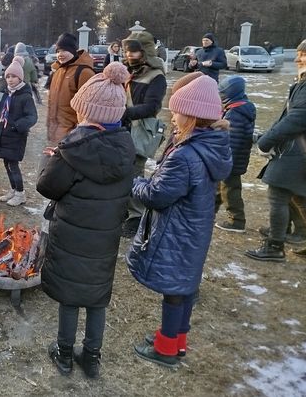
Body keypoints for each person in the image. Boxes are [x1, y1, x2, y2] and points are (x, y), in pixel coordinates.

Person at [127, 75, 232, 368]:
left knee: (174, 289)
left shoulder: (185, 156)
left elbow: (157, 195)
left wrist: (135, 183)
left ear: (190, 116)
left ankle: (166, 350)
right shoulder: (211, 144)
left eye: (176, 111)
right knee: (185, 285)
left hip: (177, 229)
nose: (171, 116)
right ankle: (176, 339)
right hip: (195, 227)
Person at [38, 62, 135, 379]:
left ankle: (64, 355)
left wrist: (53, 161)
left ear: (85, 111)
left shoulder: (73, 149)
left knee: (70, 299)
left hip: (71, 237)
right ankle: (91, 358)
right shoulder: (125, 148)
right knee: (96, 299)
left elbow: (47, 187)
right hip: (104, 239)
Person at [246, 39, 306, 262]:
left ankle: (275, 246)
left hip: (296, 152)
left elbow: (297, 119)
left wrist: (266, 142)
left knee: (278, 196)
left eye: (303, 55)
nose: (297, 59)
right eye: (298, 53)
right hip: (296, 151)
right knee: (300, 198)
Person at [120, 32, 167, 237]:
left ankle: (136, 216)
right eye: (128, 50)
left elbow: (152, 107)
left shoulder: (156, 77)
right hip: (121, 128)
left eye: (135, 50)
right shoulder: (127, 72)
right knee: (121, 172)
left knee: (134, 174)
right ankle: (122, 210)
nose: (130, 54)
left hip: (139, 130)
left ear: (145, 51)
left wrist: (124, 112)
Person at [0, 57, 37, 207]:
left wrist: (16, 126)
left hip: (16, 137)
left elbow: (32, 117)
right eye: (8, 77)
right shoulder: (7, 94)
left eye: (14, 77)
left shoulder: (25, 97)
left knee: (13, 165)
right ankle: (13, 189)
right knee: (7, 164)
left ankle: (20, 193)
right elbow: (1, 111)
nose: (10, 80)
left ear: (20, 78)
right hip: (4, 135)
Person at [214, 76, 256, 232]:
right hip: (232, 158)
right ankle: (210, 212)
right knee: (221, 187)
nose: (220, 96)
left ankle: (237, 221)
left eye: (222, 94)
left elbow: (231, 141)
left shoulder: (235, 113)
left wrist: (223, 159)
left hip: (232, 159)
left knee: (230, 189)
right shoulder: (239, 107)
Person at [46, 32, 95, 145]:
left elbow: (88, 107)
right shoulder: (58, 71)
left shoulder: (84, 72)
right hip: (55, 133)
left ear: (73, 51)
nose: (60, 54)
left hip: (74, 136)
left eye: (64, 50)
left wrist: (80, 131)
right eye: (58, 51)